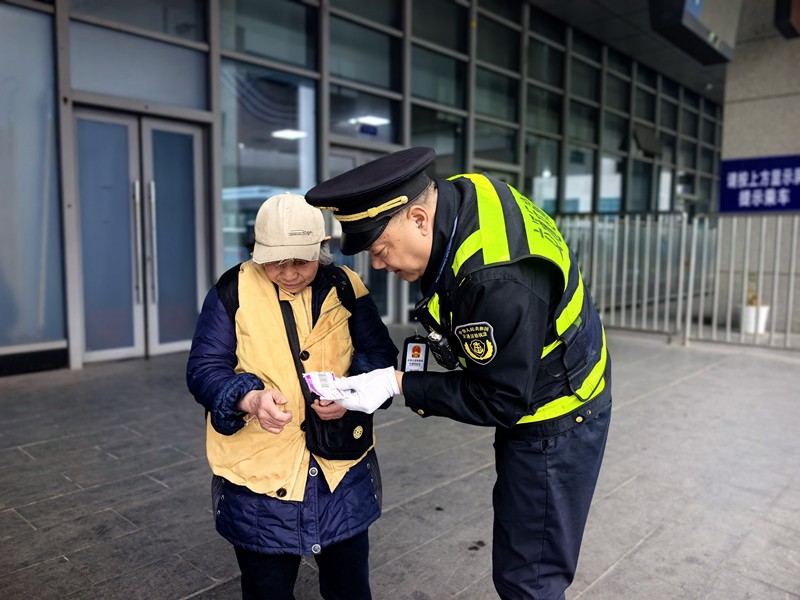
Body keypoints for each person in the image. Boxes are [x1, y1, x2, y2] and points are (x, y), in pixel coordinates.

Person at [305, 147, 612, 600]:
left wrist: (397, 383)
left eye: (381, 248)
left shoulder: (494, 279)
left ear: (418, 219)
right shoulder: (465, 195)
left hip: (556, 419)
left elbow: (502, 400)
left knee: (529, 576)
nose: (377, 264)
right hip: (547, 381)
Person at [186, 192, 398, 600]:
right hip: (261, 475)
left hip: (341, 470)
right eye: (274, 261)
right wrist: (248, 399)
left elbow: (380, 354)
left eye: (300, 261)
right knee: (267, 588)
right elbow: (204, 370)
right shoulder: (231, 291)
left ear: (321, 251)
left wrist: (350, 391)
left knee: (350, 586)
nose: (287, 273)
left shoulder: (345, 285)